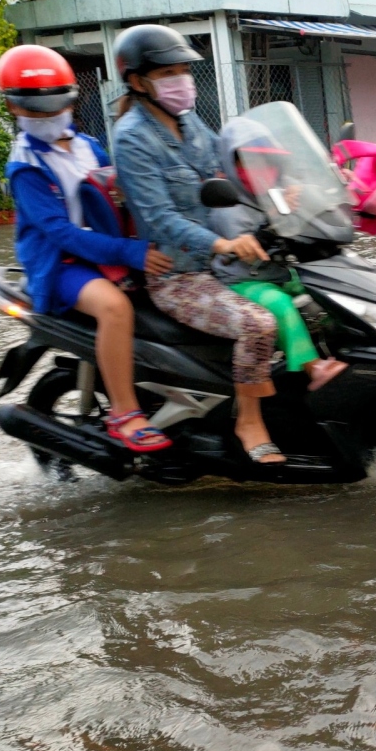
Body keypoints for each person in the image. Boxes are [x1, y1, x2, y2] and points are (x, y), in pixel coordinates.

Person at [111, 24, 289, 465]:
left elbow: (229, 166)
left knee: (308, 304)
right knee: (259, 325)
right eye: (167, 72)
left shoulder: (189, 122)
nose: (181, 81)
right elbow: (160, 219)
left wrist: (284, 191)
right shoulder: (132, 137)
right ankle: (249, 421)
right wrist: (223, 244)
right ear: (138, 81)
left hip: (218, 265)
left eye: (183, 71)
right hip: (178, 275)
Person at [1, 44, 174, 453]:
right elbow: (61, 234)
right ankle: (124, 413)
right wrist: (130, 253)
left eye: (54, 105)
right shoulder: (24, 166)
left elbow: (119, 192)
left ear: (71, 99)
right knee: (115, 308)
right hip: (62, 264)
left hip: (105, 251)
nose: (46, 116)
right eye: (34, 110)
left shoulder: (87, 145)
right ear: (14, 107)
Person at [210, 118, 348, 392]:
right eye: (251, 163)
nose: (263, 170)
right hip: (243, 281)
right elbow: (250, 253)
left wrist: (320, 194)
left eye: (269, 163)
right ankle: (314, 367)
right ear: (233, 164)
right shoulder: (226, 203)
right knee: (282, 306)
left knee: (329, 292)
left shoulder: (274, 192)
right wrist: (275, 217)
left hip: (280, 272)